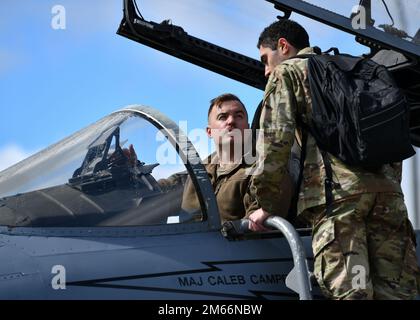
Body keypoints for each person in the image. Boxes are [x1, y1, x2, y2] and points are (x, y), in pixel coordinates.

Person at [250, 19, 419, 299]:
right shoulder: (359, 70)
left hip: (338, 203)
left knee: (351, 294)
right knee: (396, 295)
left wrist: (265, 204)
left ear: (284, 46)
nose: (266, 70)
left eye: (266, 59)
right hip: (389, 199)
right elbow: (390, 137)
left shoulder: (290, 72)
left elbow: (274, 142)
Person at [181, 93, 293, 227]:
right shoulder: (199, 169)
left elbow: (254, 225)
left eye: (238, 116)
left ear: (248, 127)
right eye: (222, 117)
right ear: (209, 132)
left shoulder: (263, 169)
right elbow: (168, 187)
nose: (231, 121)